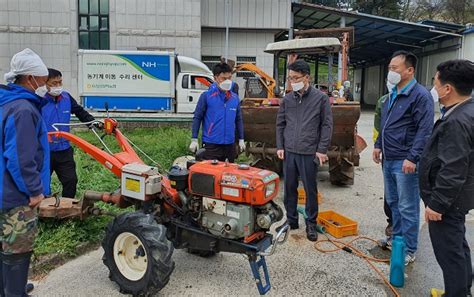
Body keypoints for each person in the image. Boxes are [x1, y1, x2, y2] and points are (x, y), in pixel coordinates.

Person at [373, 50, 434, 265]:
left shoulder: (420, 96)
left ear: (409, 70)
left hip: (405, 160)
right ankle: (396, 240)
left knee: (408, 206)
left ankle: (409, 248)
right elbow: (386, 123)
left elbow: (424, 131)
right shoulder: (393, 93)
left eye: (394, 68)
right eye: (390, 68)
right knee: (394, 202)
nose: (390, 72)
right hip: (389, 158)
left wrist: (413, 157)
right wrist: (378, 145)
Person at [419, 60, 474, 297]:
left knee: (449, 253)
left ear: (447, 88)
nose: (434, 86)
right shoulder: (466, 110)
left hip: (448, 202)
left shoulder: (456, 121)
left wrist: (437, 204)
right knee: (458, 248)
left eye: (435, 81)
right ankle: (461, 291)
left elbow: (453, 168)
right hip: (458, 199)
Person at [0, 48, 51, 296]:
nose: (45, 84)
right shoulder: (23, 109)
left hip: (3, 189)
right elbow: (20, 158)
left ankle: (10, 287)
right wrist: (33, 191)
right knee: (17, 249)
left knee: (4, 245)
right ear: (29, 78)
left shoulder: (7, 103)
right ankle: (14, 292)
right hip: (15, 195)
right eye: (42, 80)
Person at [276, 59, 333, 242]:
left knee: (310, 189)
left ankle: (310, 223)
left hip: (309, 152)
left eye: (296, 78)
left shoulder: (320, 98)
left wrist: (321, 149)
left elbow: (326, 125)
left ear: (307, 77)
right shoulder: (287, 99)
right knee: (289, 188)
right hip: (290, 151)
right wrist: (280, 146)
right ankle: (291, 220)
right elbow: (280, 124)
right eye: (290, 78)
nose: (292, 82)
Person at [42, 68, 100, 199]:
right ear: (44, 83)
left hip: (64, 149)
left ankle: (66, 208)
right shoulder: (39, 101)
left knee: (70, 181)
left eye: (60, 82)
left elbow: (80, 112)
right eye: (54, 83)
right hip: (44, 151)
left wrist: (93, 122)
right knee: (43, 184)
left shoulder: (66, 97)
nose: (58, 86)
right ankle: (43, 210)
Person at [189, 62, 245, 162]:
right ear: (215, 78)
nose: (227, 81)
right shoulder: (206, 96)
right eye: (224, 78)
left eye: (229, 78)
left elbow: (238, 119)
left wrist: (241, 139)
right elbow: (197, 117)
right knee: (212, 175)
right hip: (212, 144)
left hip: (229, 144)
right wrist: (194, 138)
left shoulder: (235, 98)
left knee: (229, 175)